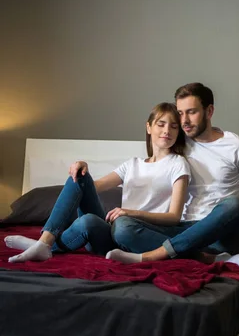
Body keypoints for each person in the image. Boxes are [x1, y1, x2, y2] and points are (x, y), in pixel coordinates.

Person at [106, 82, 239, 266]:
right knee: (123, 227)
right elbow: (153, 160)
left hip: (218, 233)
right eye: (180, 113)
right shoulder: (176, 142)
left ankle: (153, 255)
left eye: (192, 112)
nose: (184, 121)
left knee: (233, 205)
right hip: (182, 229)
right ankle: (203, 258)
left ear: (209, 111)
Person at [6, 103, 190, 263]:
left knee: (96, 222)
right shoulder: (133, 164)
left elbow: (174, 216)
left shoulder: (178, 164)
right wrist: (82, 166)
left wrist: (129, 213)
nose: (167, 131)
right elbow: (92, 187)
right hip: (109, 234)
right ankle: (44, 241)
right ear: (149, 127)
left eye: (174, 127)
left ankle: (45, 246)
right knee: (79, 177)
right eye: (161, 124)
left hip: (131, 234)